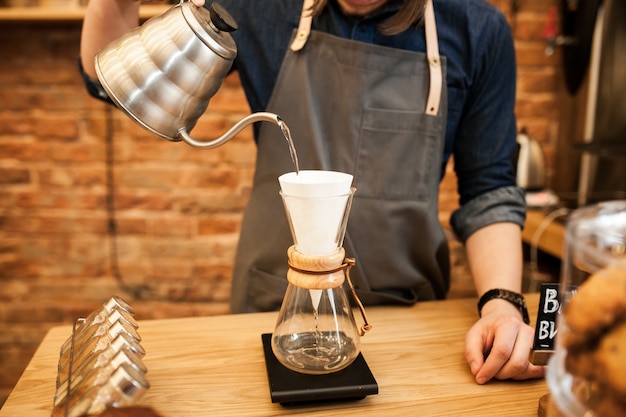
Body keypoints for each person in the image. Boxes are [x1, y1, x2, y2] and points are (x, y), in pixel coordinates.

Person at [79, 0, 545, 385]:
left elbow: (489, 192)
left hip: (407, 321)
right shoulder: (262, 8)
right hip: (273, 312)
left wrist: (503, 304)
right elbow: (110, 74)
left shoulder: (476, 29)